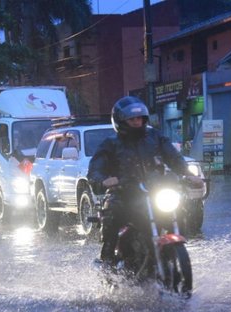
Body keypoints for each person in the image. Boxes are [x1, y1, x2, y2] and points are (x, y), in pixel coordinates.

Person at [87, 96, 203, 265]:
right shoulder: (110, 144)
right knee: (111, 215)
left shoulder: (155, 137)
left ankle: (170, 255)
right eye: (132, 119)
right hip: (124, 193)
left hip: (154, 191)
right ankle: (108, 260)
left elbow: (173, 156)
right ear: (121, 121)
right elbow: (96, 169)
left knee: (177, 210)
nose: (136, 122)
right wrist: (103, 181)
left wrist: (187, 174)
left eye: (139, 118)